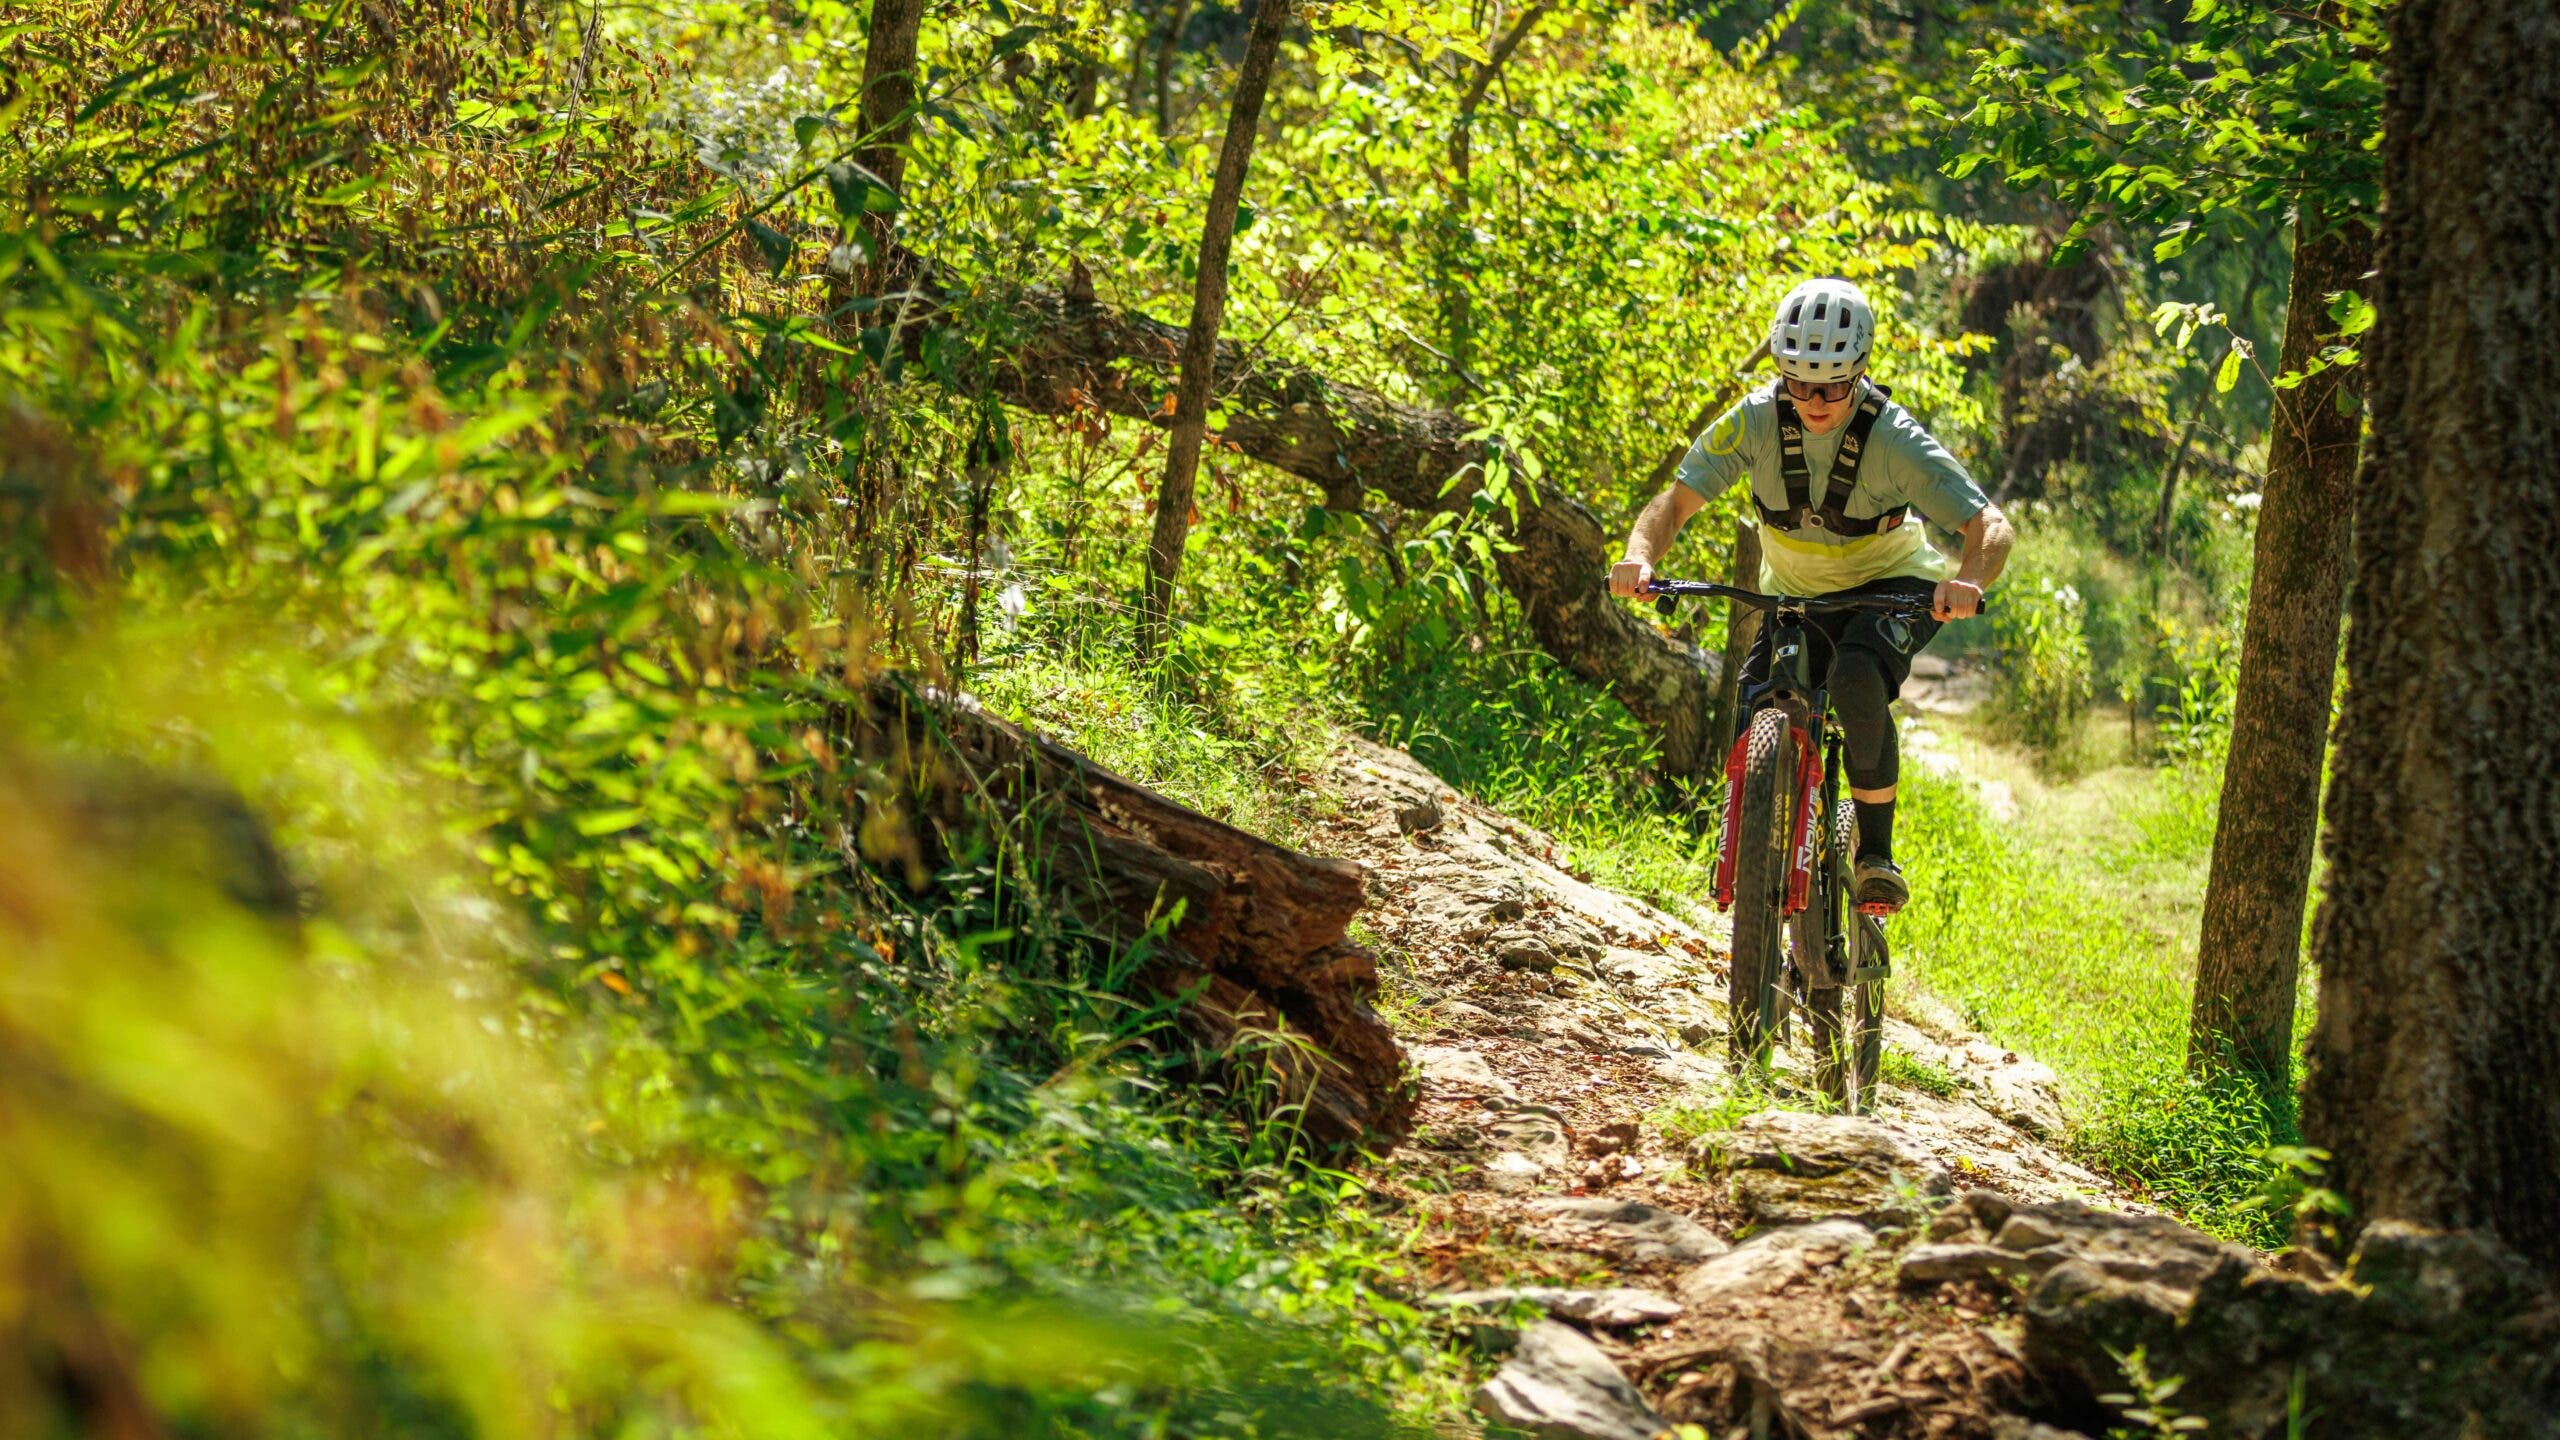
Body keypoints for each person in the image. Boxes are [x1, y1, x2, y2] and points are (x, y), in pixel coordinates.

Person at [1609, 277, 2012, 913]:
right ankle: (1765, 852)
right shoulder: (1755, 421)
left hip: (1891, 589)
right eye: (1799, 382)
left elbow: (1989, 525)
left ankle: (1876, 854)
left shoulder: (1892, 437)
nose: (1815, 399)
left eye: (1831, 384)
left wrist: (1967, 582)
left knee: (1855, 678)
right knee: (1753, 700)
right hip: (1795, 594)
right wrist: (1639, 557)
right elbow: (1675, 501)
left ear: (1859, 372)